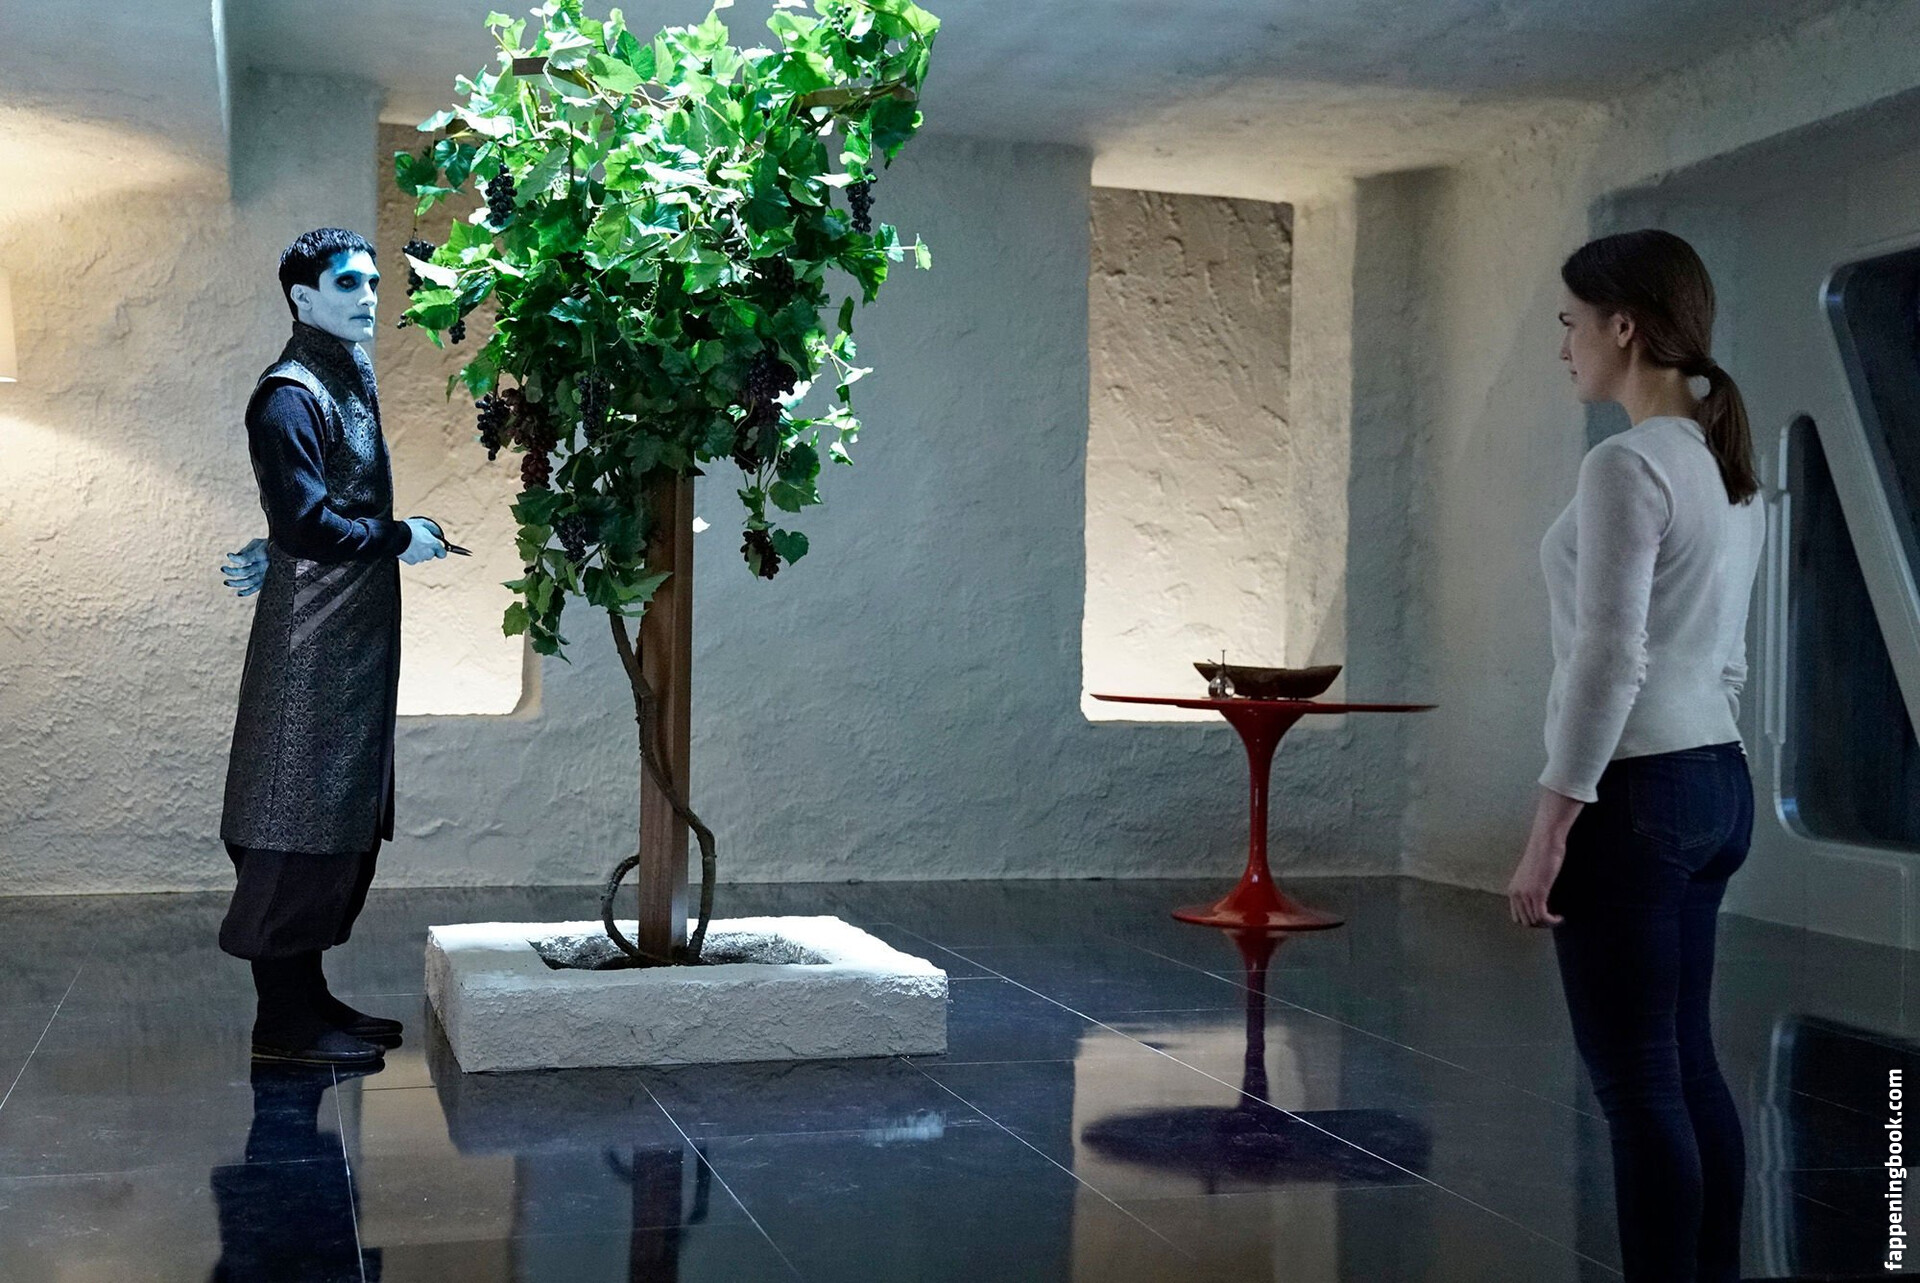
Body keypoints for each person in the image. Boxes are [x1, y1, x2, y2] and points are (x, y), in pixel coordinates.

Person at [1504, 228, 1767, 1283]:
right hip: (1718, 780)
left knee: (1638, 1084)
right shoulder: (1724, 463)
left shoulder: (1624, 463)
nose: (1562, 345)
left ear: (1623, 326)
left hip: (1639, 793)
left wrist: (1549, 825)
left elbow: (1610, 658)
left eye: (1570, 322)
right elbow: (1729, 659)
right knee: (1686, 1064)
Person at [218, 227, 448, 1067]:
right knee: (294, 810)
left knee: (335, 812)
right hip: (311, 643)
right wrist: (401, 535)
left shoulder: (342, 373)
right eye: (348, 283)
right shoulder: (288, 394)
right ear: (303, 298)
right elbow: (308, 523)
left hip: (347, 638)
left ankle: (309, 998)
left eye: (374, 283)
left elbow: (308, 512)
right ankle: (282, 1020)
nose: (369, 297)